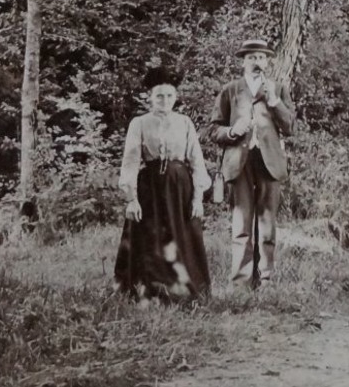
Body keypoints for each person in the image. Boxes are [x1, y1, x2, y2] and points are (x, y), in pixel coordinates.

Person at [114, 65, 212, 299]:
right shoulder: (139, 123)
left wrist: (198, 198)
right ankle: (151, 288)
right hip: (150, 188)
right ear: (150, 97)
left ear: (175, 97)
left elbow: (196, 160)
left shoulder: (185, 123)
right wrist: (131, 199)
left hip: (180, 187)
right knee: (150, 235)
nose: (164, 100)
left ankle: (184, 288)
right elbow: (130, 161)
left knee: (183, 234)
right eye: (159, 95)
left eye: (169, 96)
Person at [210, 37, 296, 286]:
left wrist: (275, 102)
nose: (256, 62)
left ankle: (266, 278)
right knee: (241, 222)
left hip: (269, 160)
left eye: (260, 57)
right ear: (243, 62)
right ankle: (241, 281)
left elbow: (290, 127)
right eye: (251, 58)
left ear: (267, 61)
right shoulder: (231, 90)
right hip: (239, 161)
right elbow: (213, 129)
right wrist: (232, 131)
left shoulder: (278, 88)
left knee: (268, 222)